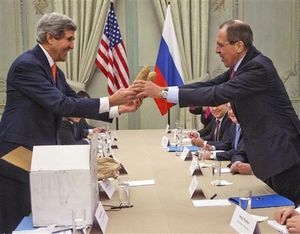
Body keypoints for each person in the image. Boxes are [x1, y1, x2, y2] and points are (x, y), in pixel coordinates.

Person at [133, 19, 300, 205]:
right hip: (269, 157)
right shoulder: (240, 67)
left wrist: (161, 93)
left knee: (289, 211)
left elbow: (217, 94)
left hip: (283, 156)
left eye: (221, 45)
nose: (217, 51)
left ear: (238, 46)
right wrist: (164, 90)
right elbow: (209, 84)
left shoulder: (257, 68)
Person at [0, 12, 138, 232]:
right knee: (18, 219)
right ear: (50, 37)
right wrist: (111, 99)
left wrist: (118, 108)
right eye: (69, 39)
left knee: (38, 213)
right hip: (18, 151)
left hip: (39, 151)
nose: (72, 46)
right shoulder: (27, 65)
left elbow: (74, 102)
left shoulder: (55, 71)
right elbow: (61, 105)